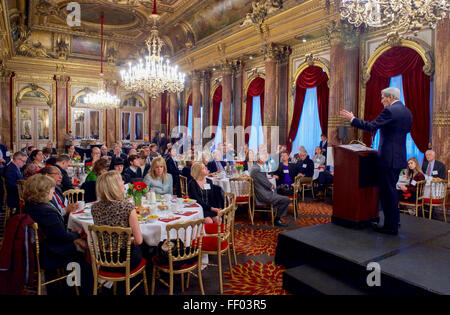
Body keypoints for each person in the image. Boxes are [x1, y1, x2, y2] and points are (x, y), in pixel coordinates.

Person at [340, 86, 412, 235]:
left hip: (388, 158)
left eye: (383, 98)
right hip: (399, 158)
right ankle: (394, 221)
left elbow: (371, 126)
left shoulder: (390, 111)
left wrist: (352, 119)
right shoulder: (407, 112)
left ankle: (390, 227)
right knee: (392, 190)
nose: (381, 101)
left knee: (387, 192)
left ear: (390, 97)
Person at [23, 174, 92, 294]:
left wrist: (73, 236)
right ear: (43, 191)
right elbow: (61, 237)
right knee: (86, 250)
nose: (53, 191)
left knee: (81, 244)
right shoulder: (46, 211)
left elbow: (57, 234)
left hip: (42, 246)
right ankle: (79, 287)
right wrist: (77, 236)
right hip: (51, 252)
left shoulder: (31, 206)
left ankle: (73, 284)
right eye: (51, 188)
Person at [91, 171, 144, 273]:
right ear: (114, 186)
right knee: (147, 247)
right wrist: (128, 240)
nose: (123, 182)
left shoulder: (94, 208)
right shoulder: (127, 207)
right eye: (120, 180)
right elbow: (139, 241)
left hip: (104, 259)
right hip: (125, 261)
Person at [250, 152, 290, 227]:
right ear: (260, 159)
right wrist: (270, 185)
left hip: (263, 191)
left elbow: (265, 179)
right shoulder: (257, 169)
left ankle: (273, 214)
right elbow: (267, 184)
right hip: (264, 195)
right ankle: (277, 219)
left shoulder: (256, 167)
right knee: (286, 199)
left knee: (280, 190)